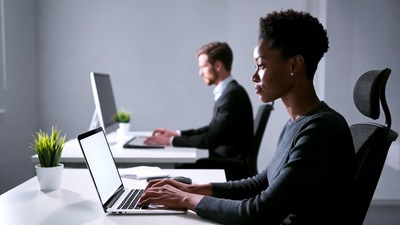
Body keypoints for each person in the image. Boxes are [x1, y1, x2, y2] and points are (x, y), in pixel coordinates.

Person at [139, 9, 356, 225]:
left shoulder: (320, 130)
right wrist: (190, 189)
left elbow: (259, 212)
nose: (254, 76)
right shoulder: (297, 123)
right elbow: (261, 183)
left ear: (294, 65)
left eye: (261, 65)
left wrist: (186, 199)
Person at [144, 42, 254, 161]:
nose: (200, 73)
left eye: (203, 67)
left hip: (228, 167)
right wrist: (177, 134)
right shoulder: (229, 92)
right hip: (223, 162)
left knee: (175, 170)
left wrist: (170, 141)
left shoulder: (232, 95)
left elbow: (211, 139)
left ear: (218, 66)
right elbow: (212, 129)